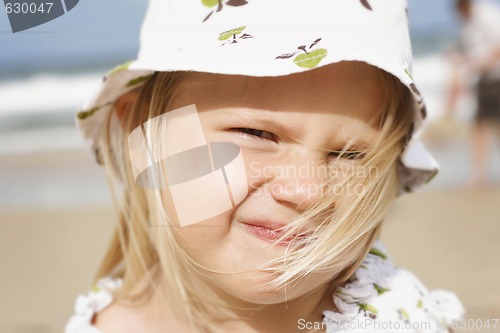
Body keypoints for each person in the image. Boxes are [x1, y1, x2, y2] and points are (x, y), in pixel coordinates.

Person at [65, 1, 464, 332]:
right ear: (144, 134)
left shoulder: (393, 320)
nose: (306, 191)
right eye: (256, 133)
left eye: (350, 155)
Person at [446, 0, 500, 189]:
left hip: (496, 78)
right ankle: (479, 175)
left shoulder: (487, 14)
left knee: (490, 127)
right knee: (479, 126)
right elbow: (470, 56)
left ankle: (480, 176)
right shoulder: (467, 24)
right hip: (483, 81)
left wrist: (481, 63)